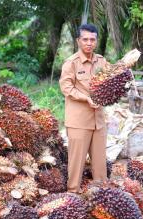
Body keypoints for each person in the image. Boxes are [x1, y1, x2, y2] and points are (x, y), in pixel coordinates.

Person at [59, 24, 107, 194]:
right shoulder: (71, 63)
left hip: (99, 121)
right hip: (79, 121)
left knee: (100, 165)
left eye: (92, 39)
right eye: (85, 39)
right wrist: (86, 98)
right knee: (76, 164)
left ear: (96, 41)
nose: (89, 43)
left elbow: (109, 83)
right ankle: (73, 196)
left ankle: (102, 196)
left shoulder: (102, 61)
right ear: (78, 41)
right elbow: (66, 88)